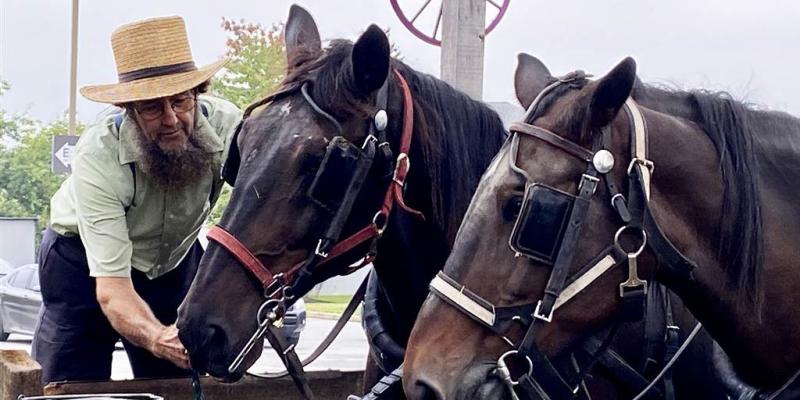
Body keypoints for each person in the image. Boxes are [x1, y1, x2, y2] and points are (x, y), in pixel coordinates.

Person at [32, 16, 241, 383]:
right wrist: (158, 338)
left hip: (173, 262)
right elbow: (112, 291)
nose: (172, 119)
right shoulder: (99, 155)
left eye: (180, 101)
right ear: (129, 110)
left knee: (176, 383)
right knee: (69, 386)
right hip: (80, 264)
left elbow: (271, 194)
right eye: (151, 108)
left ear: (198, 93)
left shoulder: (229, 127)